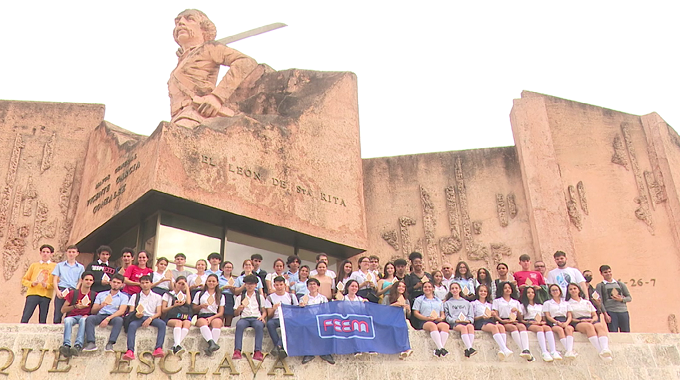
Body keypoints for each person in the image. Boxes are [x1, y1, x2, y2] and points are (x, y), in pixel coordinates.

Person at [169, 9, 258, 128]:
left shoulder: (209, 48)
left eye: (189, 19)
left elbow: (245, 62)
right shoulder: (182, 61)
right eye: (177, 21)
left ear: (203, 29)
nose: (180, 23)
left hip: (197, 115)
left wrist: (217, 97)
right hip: (180, 117)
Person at [83, 273, 129, 353]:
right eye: (114, 282)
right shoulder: (101, 294)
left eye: (118, 283)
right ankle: (91, 342)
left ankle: (110, 343)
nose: (115, 284)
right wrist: (102, 305)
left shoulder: (124, 297)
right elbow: (93, 310)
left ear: (122, 285)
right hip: (101, 314)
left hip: (113, 316)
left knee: (119, 320)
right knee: (90, 318)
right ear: (110, 282)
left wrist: (108, 319)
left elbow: (121, 311)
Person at [123, 275, 166, 360]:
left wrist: (150, 319)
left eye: (147, 282)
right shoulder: (135, 296)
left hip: (152, 317)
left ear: (151, 284)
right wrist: (136, 315)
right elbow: (131, 310)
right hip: (139, 317)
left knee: (162, 324)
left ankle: (158, 348)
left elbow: (159, 312)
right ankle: (130, 351)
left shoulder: (157, 297)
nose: (145, 285)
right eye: (142, 283)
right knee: (132, 325)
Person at [566, 283, 612, 361]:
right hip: (578, 321)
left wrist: (592, 320)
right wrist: (581, 320)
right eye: (570, 289)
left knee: (599, 326)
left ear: (578, 290)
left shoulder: (586, 302)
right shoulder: (568, 304)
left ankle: (605, 348)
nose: (573, 290)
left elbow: (594, 315)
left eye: (574, 288)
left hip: (590, 319)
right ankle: (599, 350)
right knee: (589, 327)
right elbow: (570, 317)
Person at [493, 281, 534, 361]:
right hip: (504, 320)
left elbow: (520, 317)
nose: (507, 290)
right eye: (505, 288)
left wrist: (517, 311)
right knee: (513, 328)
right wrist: (502, 321)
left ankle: (526, 349)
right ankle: (523, 350)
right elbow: (496, 314)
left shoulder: (515, 302)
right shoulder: (497, 301)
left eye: (509, 288)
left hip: (514, 320)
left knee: (522, 326)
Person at [59, 271, 95, 357]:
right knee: (67, 320)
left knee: (83, 320)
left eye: (90, 280)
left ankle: (78, 345)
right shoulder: (73, 293)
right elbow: (63, 310)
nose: (88, 282)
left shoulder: (94, 295)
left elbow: (95, 310)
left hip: (85, 316)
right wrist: (75, 306)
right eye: (86, 279)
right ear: (82, 280)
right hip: (72, 316)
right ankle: (66, 344)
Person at [471, 284, 512, 360]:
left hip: (489, 320)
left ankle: (501, 349)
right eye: (481, 291)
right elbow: (472, 317)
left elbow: (493, 315)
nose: (483, 293)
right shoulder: (474, 304)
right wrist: (481, 316)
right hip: (480, 321)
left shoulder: (490, 304)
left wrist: (493, 314)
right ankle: (504, 348)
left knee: (500, 327)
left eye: (485, 291)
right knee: (494, 327)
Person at [299, 278, 335, 364]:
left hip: (321, 320)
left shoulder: (323, 298)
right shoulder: (303, 298)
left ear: (318, 286)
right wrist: (302, 306)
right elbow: (300, 312)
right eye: (310, 284)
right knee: (305, 328)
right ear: (307, 287)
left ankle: (326, 353)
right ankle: (308, 353)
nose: (312, 286)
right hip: (308, 320)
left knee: (329, 327)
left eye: (314, 284)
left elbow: (327, 311)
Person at [233, 274, 266, 361]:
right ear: (245, 285)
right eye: (248, 284)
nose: (250, 286)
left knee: (259, 326)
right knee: (239, 325)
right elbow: (235, 313)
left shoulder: (260, 297)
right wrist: (239, 309)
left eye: (252, 284)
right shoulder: (240, 297)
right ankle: (237, 350)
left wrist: (262, 317)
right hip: (245, 318)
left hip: (256, 317)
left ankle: (258, 351)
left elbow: (264, 310)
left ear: (255, 285)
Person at [520, 286, 558, 362]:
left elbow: (544, 319)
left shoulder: (540, 306)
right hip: (530, 322)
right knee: (539, 329)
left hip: (539, 322)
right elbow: (521, 319)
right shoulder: (523, 306)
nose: (530, 294)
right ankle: (544, 352)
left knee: (547, 328)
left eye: (532, 292)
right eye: (528, 292)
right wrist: (529, 322)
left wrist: (541, 322)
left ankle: (553, 351)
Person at [20, 244, 56, 324]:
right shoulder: (34, 265)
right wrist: (32, 283)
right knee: (26, 316)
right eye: (43, 252)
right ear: (40, 253)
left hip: (46, 295)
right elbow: (24, 280)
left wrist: (47, 285)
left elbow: (56, 282)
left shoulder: (55, 266)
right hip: (33, 293)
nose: (45, 254)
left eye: (47, 252)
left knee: (43, 318)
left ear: (51, 254)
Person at [412, 281, 449, 357]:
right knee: (432, 326)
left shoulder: (438, 300)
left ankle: (439, 349)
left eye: (429, 287)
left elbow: (442, 313)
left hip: (437, 320)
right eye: (425, 287)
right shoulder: (419, 300)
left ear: (433, 288)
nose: (427, 288)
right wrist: (426, 318)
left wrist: (441, 318)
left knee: (445, 326)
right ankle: (441, 347)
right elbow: (416, 313)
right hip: (424, 320)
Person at [265, 276, 299, 359]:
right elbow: (269, 315)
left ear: (285, 285)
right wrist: (273, 308)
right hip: (276, 318)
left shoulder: (291, 296)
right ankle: (280, 346)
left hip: (288, 319)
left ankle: (278, 346)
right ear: (274, 286)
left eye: (281, 284)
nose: (279, 287)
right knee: (270, 324)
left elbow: (296, 310)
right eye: (277, 285)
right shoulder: (270, 297)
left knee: (289, 324)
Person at [193, 274, 225, 356]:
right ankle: (212, 343)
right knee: (203, 322)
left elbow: (221, 312)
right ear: (206, 282)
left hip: (214, 315)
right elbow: (194, 308)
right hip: (202, 314)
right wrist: (201, 306)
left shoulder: (221, 296)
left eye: (213, 281)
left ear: (217, 283)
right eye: (209, 281)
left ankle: (212, 345)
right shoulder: (199, 294)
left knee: (217, 322)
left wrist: (211, 318)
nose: (211, 283)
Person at [52, 245, 84, 324]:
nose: (71, 254)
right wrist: (57, 291)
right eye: (69, 252)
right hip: (62, 288)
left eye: (73, 252)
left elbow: (80, 280)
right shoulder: (60, 265)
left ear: (77, 253)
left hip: (73, 290)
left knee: (70, 311)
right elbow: (55, 279)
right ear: (66, 253)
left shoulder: (80, 267)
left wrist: (76, 290)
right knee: (58, 312)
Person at [596, 265, 632, 333]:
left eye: (609, 271)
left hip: (623, 311)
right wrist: (605, 314)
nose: (608, 274)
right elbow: (600, 302)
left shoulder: (620, 284)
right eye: (605, 272)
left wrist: (621, 299)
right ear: (601, 274)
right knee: (613, 333)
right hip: (610, 312)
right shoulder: (601, 285)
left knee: (626, 333)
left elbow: (629, 298)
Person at [444, 282, 476, 357]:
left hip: (466, 321)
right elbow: (447, 316)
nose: (454, 290)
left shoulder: (467, 303)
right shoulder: (447, 303)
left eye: (456, 288)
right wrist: (455, 320)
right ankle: (469, 348)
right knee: (463, 328)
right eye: (452, 288)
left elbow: (471, 315)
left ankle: (469, 348)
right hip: (455, 323)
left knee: (470, 327)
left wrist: (469, 320)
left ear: (460, 289)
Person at [543, 284, 576, 358]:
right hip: (554, 321)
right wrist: (556, 322)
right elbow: (548, 316)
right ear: (550, 292)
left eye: (556, 290)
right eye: (553, 290)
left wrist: (566, 323)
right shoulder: (547, 303)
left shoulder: (566, 303)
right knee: (559, 329)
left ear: (560, 291)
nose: (555, 292)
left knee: (569, 329)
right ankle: (569, 350)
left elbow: (569, 315)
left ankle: (569, 350)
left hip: (565, 320)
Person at [162, 276, 192, 354]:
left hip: (182, 316)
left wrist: (187, 289)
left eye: (183, 284)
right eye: (179, 283)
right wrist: (174, 306)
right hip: (171, 317)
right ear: (175, 283)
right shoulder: (168, 294)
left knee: (187, 323)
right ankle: (177, 345)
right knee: (178, 322)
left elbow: (188, 303)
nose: (180, 286)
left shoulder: (184, 296)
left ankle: (176, 345)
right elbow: (163, 309)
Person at [218, 261, 237, 327]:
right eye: (226, 267)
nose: (228, 269)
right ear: (223, 268)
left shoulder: (234, 280)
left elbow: (236, 292)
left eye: (230, 267)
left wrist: (231, 288)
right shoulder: (219, 278)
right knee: (220, 315)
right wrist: (224, 288)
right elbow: (215, 290)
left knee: (229, 316)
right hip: (220, 296)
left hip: (230, 297)